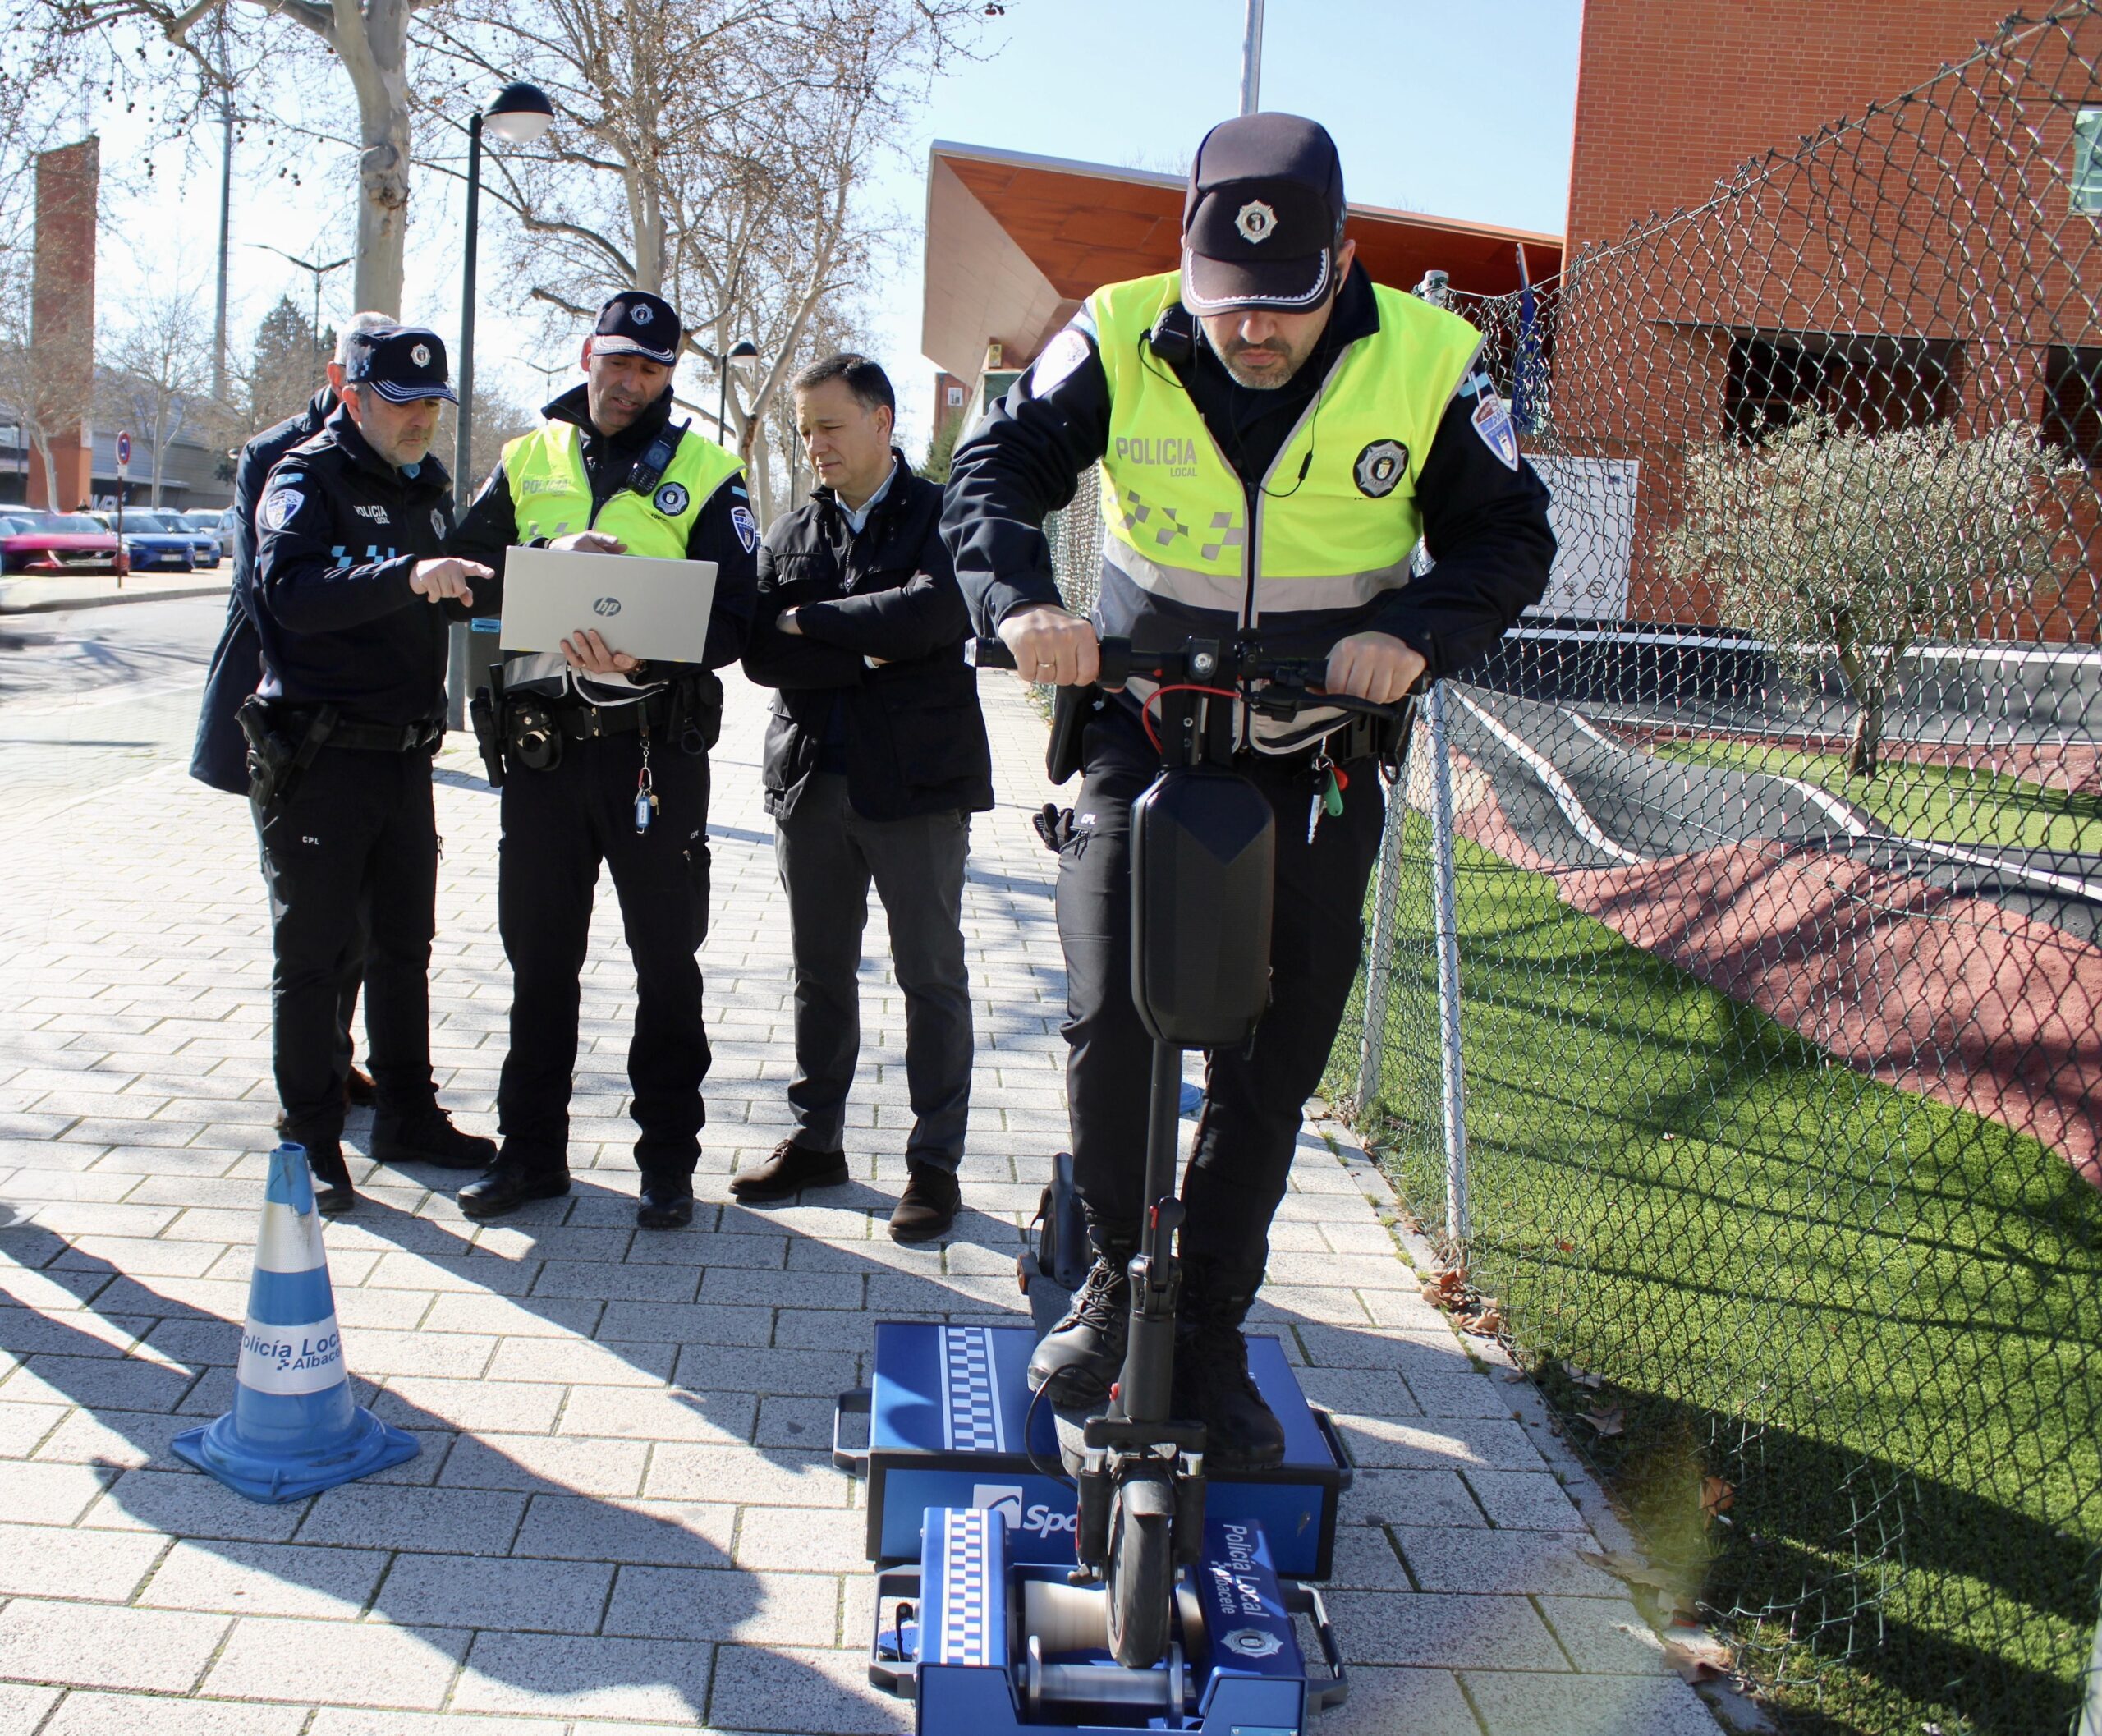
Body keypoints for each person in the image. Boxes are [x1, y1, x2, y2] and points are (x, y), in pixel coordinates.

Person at [942, 113, 1555, 1467]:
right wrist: (1023, 601)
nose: (1252, 331)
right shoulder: (1115, 331)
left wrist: (1415, 632)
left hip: (1317, 753)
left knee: (1275, 1053)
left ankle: (1211, 1322)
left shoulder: (1433, 361)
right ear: (1187, 263)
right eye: (1227, 303)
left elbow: (1513, 533)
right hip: (1146, 728)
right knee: (1112, 1006)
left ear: (1343, 261)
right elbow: (994, 471)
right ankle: (1117, 1282)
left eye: (1284, 301)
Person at [447, 290, 758, 1230]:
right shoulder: (526, 456)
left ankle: (667, 1161)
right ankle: (530, 1154)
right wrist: (552, 553)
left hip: (650, 752)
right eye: (618, 361)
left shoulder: (708, 470)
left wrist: (646, 651)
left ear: (670, 377)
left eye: (651, 369)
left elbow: (736, 617)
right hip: (543, 753)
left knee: (666, 962)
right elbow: (464, 574)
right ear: (589, 355)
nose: (631, 382)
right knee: (540, 962)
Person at [736, 355, 993, 1242]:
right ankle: (817, 1143)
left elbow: (934, 615)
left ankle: (934, 1165)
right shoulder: (790, 531)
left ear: (882, 421)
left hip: (916, 786)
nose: (815, 444)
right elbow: (761, 651)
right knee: (819, 973)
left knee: (931, 976)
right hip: (810, 780)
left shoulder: (944, 513)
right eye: (805, 429)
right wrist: (870, 647)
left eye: (830, 426)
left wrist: (814, 622)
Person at [247, 324, 499, 1213]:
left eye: (432, 403)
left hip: (403, 759)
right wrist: (406, 575)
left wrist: (556, 567)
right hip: (319, 759)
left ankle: (407, 1117)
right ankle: (311, 1137)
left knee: (403, 948)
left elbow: (457, 585)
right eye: (402, 402)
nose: (421, 419)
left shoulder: (425, 486)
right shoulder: (305, 478)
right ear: (349, 392)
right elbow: (288, 593)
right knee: (314, 956)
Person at [192, 310, 394, 1120]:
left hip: (368, 717)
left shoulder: (398, 447)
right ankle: (309, 1087)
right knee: (311, 909)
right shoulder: (277, 454)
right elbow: (268, 590)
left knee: (367, 912)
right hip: (287, 715)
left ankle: (335, 1056)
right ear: (339, 374)